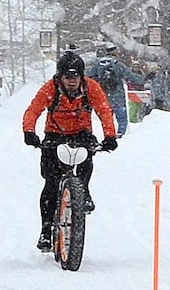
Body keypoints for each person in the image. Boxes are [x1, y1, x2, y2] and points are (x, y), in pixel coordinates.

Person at [22, 50, 119, 250]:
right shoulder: (50, 89)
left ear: (82, 76)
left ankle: (83, 190)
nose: (72, 81)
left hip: (81, 133)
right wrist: (29, 131)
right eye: (67, 76)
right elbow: (33, 110)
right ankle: (46, 231)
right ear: (60, 77)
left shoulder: (91, 88)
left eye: (76, 76)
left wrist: (109, 135)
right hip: (54, 135)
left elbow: (104, 110)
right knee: (51, 182)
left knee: (87, 160)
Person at [89, 43, 145, 137]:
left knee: (107, 119)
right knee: (122, 120)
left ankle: (108, 135)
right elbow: (132, 77)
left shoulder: (97, 64)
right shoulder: (118, 64)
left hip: (104, 98)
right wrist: (144, 77)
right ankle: (120, 136)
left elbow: (88, 76)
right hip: (118, 97)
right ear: (114, 51)